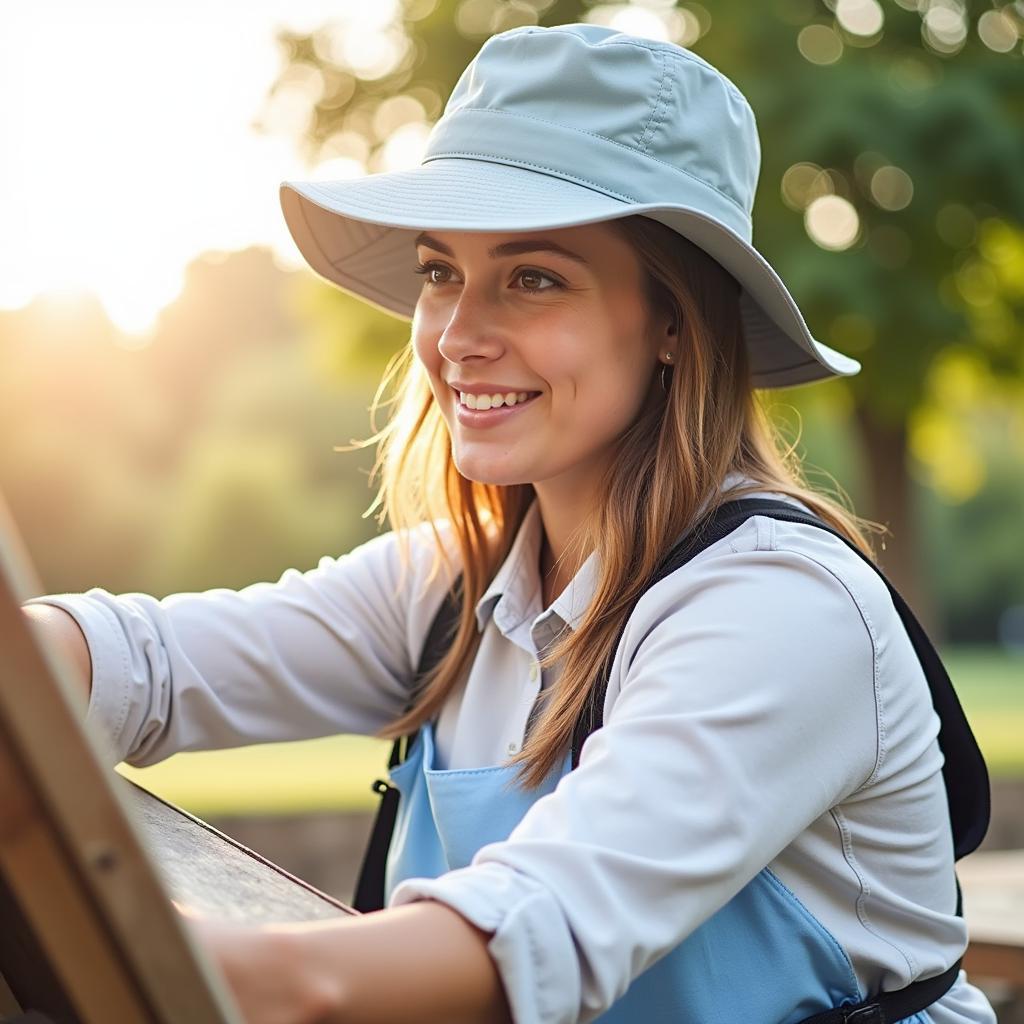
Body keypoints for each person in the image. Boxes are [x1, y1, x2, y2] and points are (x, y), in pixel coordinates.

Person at [22, 22, 996, 1024]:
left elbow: (530, 932)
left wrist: (139, 946)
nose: (457, 336)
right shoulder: (452, 586)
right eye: (440, 271)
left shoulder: (783, 609)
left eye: (533, 277)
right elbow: (151, 663)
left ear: (673, 322)